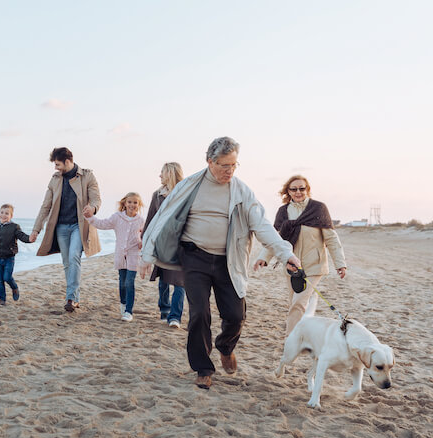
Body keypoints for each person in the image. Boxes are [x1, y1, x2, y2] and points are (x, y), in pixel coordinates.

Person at [140, 137, 302, 390]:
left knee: (236, 316)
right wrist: (147, 256)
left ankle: (225, 347)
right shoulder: (189, 186)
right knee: (199, 314)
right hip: (194, 257)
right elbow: (162, 218)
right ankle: (203, 368)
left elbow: (262, 226)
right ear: (210, 162)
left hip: (229, 260)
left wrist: (285, 254)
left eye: (234, 165)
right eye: (224, 165)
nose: (230, 171)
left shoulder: (241, 191)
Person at [253, 175, 346, 335]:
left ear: (307, 189)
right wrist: (264, 257)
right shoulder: (283, 212)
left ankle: (291, 339)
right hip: (292, 266)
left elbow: (331, 238)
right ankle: (304, 334)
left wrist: (340, 263)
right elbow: (275, 239)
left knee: (298, 303)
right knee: (295, 303)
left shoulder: (318, 209)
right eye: (293, 189)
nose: (298, 192)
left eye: (302, 188)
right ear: (287, 192)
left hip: (314, 265)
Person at [30, 147, 102, 312]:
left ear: (67, 161)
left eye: (57, 164)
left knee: (74, 256)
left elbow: (96, 198)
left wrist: (92, 208)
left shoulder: (87, 176)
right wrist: (36, 230)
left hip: (79, 224)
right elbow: (45, 206)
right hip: (61, 226)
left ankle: (70, 298)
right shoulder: (55, 179)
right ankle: (74, 297)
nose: (56, 167)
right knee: (67, 263)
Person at [84, 192, 145, 322]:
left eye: (135, 202)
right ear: (124, 203)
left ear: (139, 205)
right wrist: (90, 218)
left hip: (133, 255)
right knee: (122, 283)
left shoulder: (141, 220)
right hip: (120, 255)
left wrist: (142, 242)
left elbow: (145, 235)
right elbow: (102, 224)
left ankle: (129, 311)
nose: (132, 205)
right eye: (129, 202)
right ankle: (123, 303)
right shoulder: (117, 217)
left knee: (130, 282)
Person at [142, 162, 186, 329]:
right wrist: (144, 239)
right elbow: (151, 218)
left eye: (162, 173)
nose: (159, 176)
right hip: (161, 243)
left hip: (181, 244)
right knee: (163, 280)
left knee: (180, 281)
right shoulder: (157, 195)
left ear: (170, 173)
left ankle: (175, 316)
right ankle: (164, 310)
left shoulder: (185, 193)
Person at [0, 204, 32, 305]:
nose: (4, 215)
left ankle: (14, 288)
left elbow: (22, 236)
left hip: (9, 258)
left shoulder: (14, 227)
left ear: (11, 216)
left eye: (7, 213)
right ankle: (2, 299)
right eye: (2, 212)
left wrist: (30, 238)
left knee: (7, 277)